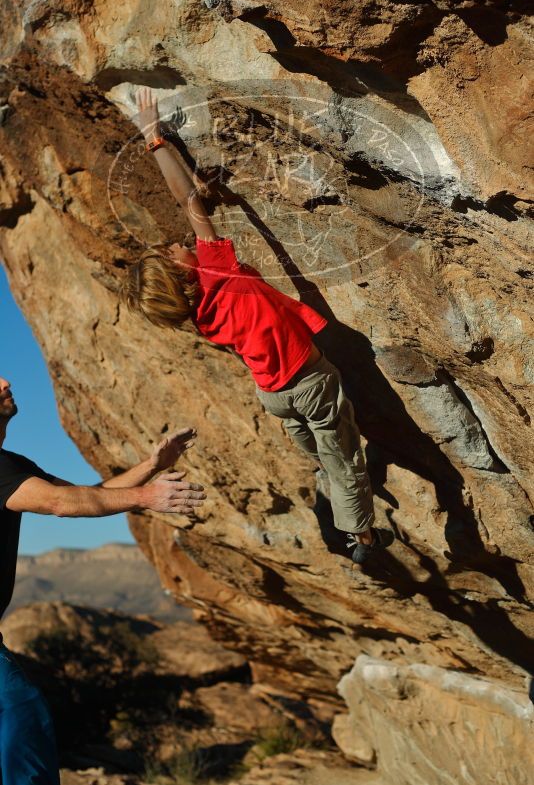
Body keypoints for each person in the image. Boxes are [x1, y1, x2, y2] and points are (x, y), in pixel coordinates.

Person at [122, 86, 394, 566]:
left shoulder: (202, 318)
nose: (178, 242)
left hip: (274, 397)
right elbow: (187, 199)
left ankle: (330, 496)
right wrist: (154, 137)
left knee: (321, 455)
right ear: (184, 272)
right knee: (344, 458)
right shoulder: (217, 271)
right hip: (309, 382)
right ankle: (362, 540)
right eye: (172, 251)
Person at [0, 375, 205, 785]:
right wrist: (148, 498)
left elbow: (87, 493)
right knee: (20, 715)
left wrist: (152, 467)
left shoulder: (12, 464)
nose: (5, 381)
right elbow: (62, 504)